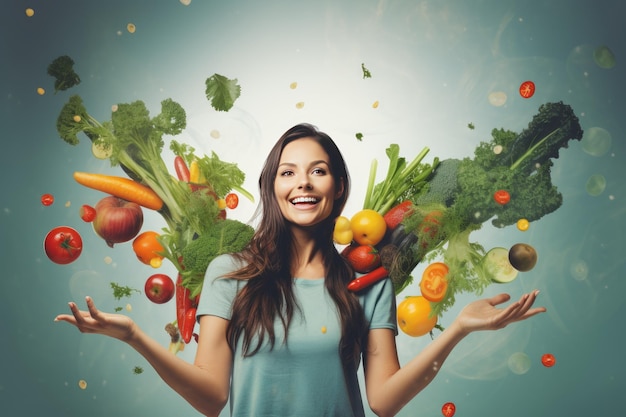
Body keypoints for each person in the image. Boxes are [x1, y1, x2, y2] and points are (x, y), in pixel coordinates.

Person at [55, 123, 546, 417]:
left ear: (337, 185)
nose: (303, 183)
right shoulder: (230, 272)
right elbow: (211, 398)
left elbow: (384, 401)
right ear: (272, 188)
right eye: (288, 172)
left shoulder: (366, 284)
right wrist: (136, 337)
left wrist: (457, 328)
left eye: (318, 170)